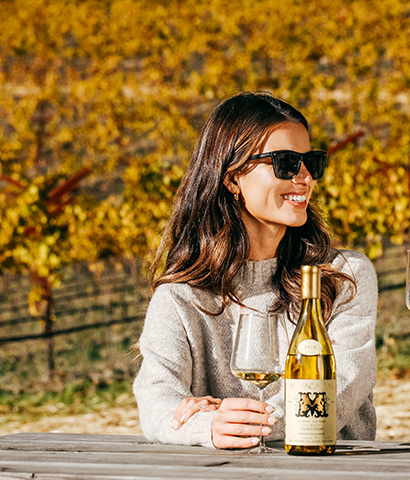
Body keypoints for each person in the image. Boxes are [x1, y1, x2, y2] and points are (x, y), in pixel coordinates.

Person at [133, 92, 378, 449]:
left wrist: (238, 422)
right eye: (285, 163)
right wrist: (209, 427)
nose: (305, 177)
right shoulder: (180, 298)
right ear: (232, 179)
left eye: (311, 162)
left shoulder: (343, 277)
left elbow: (340, 387)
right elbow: (157, 401)